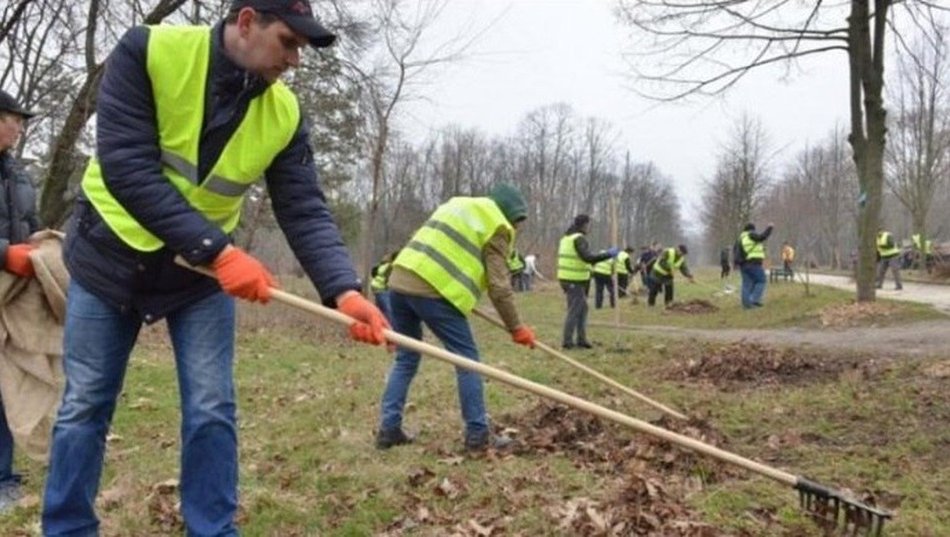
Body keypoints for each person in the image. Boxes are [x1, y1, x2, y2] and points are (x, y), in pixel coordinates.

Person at [41, 2, 391, 535]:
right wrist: (221, 251)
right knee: (85, 405)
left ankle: (213, 528)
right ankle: (66, 528)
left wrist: (343, 290)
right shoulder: (148, 51)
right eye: (288, 42)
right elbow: (127, 167)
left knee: (211, 407)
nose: (295, 60)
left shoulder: (285, 114)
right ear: (246, 21)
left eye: (301, 48)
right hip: (108, 259)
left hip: (197, 280)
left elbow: (303, 207)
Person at [376, 183, 536, 451]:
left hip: (400, 280)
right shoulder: (497, 226)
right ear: (510, 214)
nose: (517, 228)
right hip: (433, 291)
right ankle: (477, 434)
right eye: (518, 221)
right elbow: (499, 286)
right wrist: (516, 328)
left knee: (406, 357)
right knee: (467, 361)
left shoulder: (456, 205)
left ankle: (388, 429)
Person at [0, 89, 40, 514]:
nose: (20, 126)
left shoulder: (18, 173)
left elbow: (30, 223)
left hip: (10, 292)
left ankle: (3, 477)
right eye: (14, 118)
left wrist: (39, 252)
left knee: (4, 382)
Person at [557, 214, 616, 349]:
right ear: (584, 225)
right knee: (575, 309)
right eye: (589, 225)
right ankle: (567, 342)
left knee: (583, 308)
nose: (590, 228)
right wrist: (608, 254)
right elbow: (587, 257)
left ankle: (581, 340)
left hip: (571, 278)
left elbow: (578, 260)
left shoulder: (567, 238)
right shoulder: (578, 239)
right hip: (573, 280)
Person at [735, 222, 774, 308]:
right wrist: (769, 228)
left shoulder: (740, 238)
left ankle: (746, 306)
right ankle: (754, 300)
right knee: (761, 280)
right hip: (753, 263)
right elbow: (762, 237)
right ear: (752, 229)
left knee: (746, 285)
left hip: (743, 265)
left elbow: (736, 252)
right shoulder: (750, 234)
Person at [370, 249, 399, 323]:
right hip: (382, 289)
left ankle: (376, 322)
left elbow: (374, 273)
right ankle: (389, 328)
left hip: (376, 287)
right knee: (388, 310)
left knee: (379, 309)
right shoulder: (391, 267)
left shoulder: (384, 264)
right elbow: (388, 280)